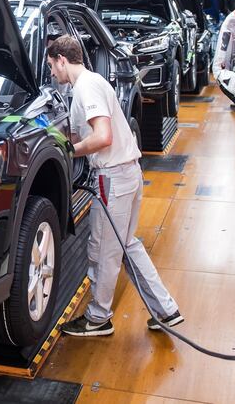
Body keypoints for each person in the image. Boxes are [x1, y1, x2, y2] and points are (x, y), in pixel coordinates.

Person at [46, 35, 183, 337]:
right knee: (127, 245)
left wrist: (70, 150)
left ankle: (98, 318)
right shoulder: (94, 81)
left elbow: (103, 136)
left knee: (104, 250)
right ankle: (166, 310)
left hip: (113, 179)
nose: (52, 74)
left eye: (52, 67)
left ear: (62, 60)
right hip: (127, 174)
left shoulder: (86, 87)